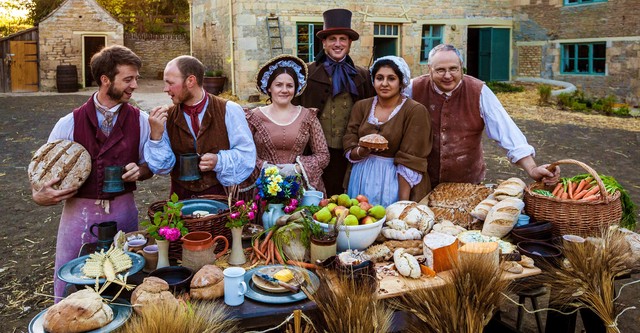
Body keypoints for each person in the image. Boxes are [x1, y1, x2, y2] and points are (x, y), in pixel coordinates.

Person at [31, 45, 173, 299]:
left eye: (136, 79)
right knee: (72, 287)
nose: (134, 85)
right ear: (105, 80)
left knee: (122, 285)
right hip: (78, 218)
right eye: (128, 79)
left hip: (123, 215)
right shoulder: (69, 123)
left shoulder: (141, 120)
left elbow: (151, 167)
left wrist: (139, 170)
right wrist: (39, 196)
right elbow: (42, 176)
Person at [407, 44, 559, 188]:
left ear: (461, 67)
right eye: (440, 70)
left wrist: (532, 169)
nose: (448, 75)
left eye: (453, 69)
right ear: (429, 69)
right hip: (420, 181)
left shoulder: (479, 91)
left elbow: (506, 130)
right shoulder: (413, 88)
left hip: (467, 184)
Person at [148, 55, 256, 199]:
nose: (165, 89)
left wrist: (218, 160)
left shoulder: (229, 110)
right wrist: (156, 137)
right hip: (180, 201)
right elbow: (161, 168)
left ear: (190, 81)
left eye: (170, 83)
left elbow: (247, 155)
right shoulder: (166, 116)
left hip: (220, 199)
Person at [293, 8, 374, 196]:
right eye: (332, 39)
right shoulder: (306, 73)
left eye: (342, 39)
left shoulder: (362, 75)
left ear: (350, 43)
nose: (338, 44)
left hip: (350, 152)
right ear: (324, 42)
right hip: (314, 152)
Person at [343, 56, 432, 207]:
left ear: (401, 82)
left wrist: (402, 204)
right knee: (360, 219)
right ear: (373, 81)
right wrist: (361, 151)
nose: (384, 84)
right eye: (379, 78)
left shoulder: (414, 110)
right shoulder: (362, 106)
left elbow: (411, 159)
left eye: (391, 78)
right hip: (361, 175)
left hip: (395, 180)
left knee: (390, 224)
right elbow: (349, 138)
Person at [244, 55, 329, 193]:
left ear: (296, 88)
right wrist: (265, 168)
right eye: (278, 85)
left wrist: (297, 168)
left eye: (289, 85)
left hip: (299, 188)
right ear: (269, 87)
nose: (284, 90)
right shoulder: (253, 117)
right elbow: (243, 153)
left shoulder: (309, 116)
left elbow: (323, 155)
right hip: (263, 187)